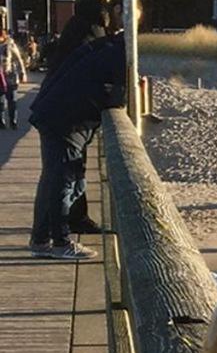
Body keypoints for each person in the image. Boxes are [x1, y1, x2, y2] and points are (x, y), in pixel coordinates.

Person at [28, 32, 125, 260]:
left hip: (52, 113)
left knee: (55, 180)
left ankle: (40, 240)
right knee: (65, 181)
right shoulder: (118, 55)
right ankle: (60, 242)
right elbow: (114, 97)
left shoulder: (104, 46)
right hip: (66, 121)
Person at [0, 27, 27, 129]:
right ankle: (1, 122)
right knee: (1, 101)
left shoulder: (10, 45)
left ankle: (13, 121)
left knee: (12, 100)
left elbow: (19, 59)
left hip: (9, 75)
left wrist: (22, 72)